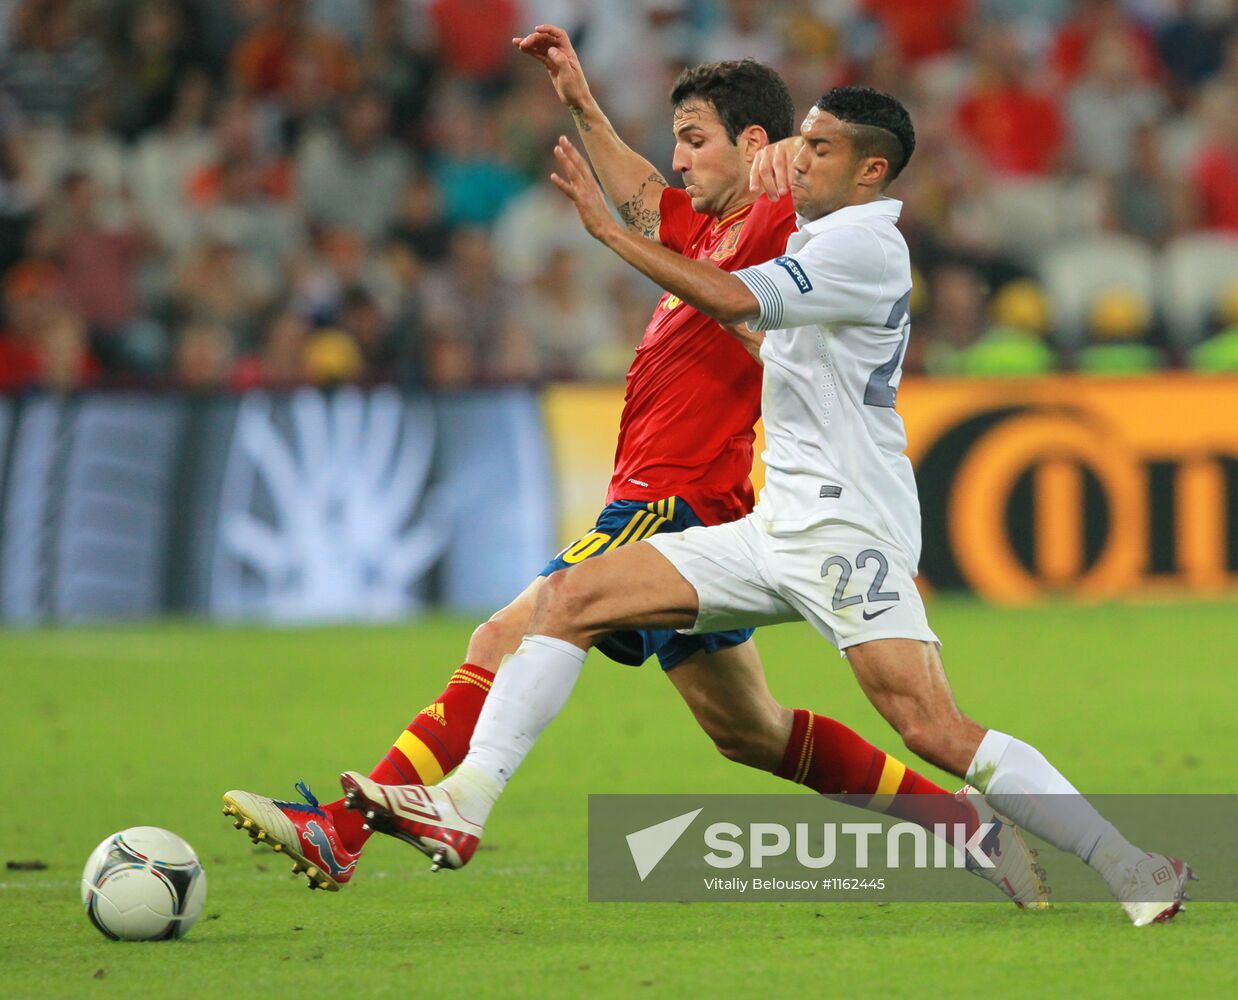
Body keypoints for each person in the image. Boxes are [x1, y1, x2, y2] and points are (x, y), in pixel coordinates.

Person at [224, 32, 1044, 907]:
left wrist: (782, 164)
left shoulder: (777, 217)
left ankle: (344, 833)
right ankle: (964, 829)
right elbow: (647, 196)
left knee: (509, 634)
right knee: (750, 732)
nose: (678, 161)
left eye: (695, 139)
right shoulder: (712, 230)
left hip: (674, 501)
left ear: (760, 148)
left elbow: (770, 189)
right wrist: (581, 101)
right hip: (708, 509)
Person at [340, 85, 1192, 928]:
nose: (799, 158)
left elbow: (738, 298)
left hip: (846, 530)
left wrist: (606, 232)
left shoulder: (865, 247)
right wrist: (603, 112)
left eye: (820, 149)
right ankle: (465, 802)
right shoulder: (824, 230)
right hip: (774, 526)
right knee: (570, 599)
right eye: (802, 142)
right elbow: (737, 283)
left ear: (870, 171)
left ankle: (1127, 861)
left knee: (932, 728)